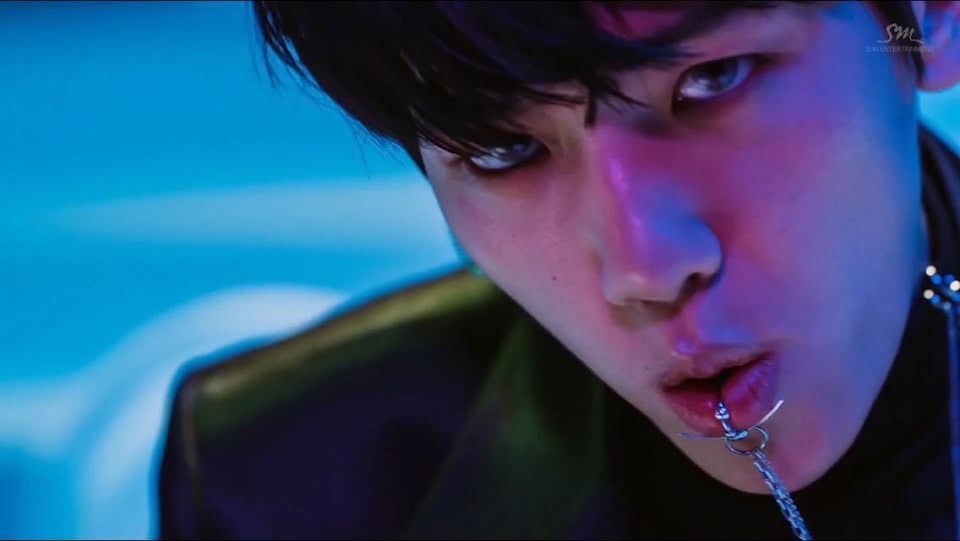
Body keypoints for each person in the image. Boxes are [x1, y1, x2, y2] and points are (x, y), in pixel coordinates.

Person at [157, 1, 960, 538]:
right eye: (504, 149)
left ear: (925, 15)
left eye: (712, 79)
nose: (646, 266)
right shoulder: (286, 485)